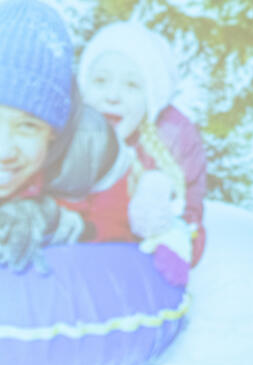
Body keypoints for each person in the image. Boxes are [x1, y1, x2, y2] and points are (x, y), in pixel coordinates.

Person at [67, 20, 207, 285]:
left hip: (128, 276)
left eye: (131, 85)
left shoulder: (169, 144)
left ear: (150, 99)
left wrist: (174, 238)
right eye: (100, 81)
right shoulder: (66, 141)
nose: (113, 96)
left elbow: (191, 216)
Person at [0, 0, 87, 270]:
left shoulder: (84, 162)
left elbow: (123, 225)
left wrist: (51, 216)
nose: (4, 151)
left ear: (53, 134)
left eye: (28, 126)